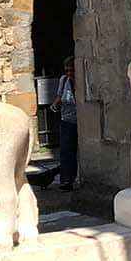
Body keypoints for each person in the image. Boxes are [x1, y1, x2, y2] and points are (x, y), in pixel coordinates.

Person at [55, 56, 79, 190]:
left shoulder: (80, 81)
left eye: (72, 70)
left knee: (76, 151)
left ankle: (76, 177)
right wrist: (55, 104)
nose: (69, 73)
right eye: (67, 71)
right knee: (66, 151)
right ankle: (66, 180)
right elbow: (59, 96)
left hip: (80, 121)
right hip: (67, 120)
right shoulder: (63, 81)